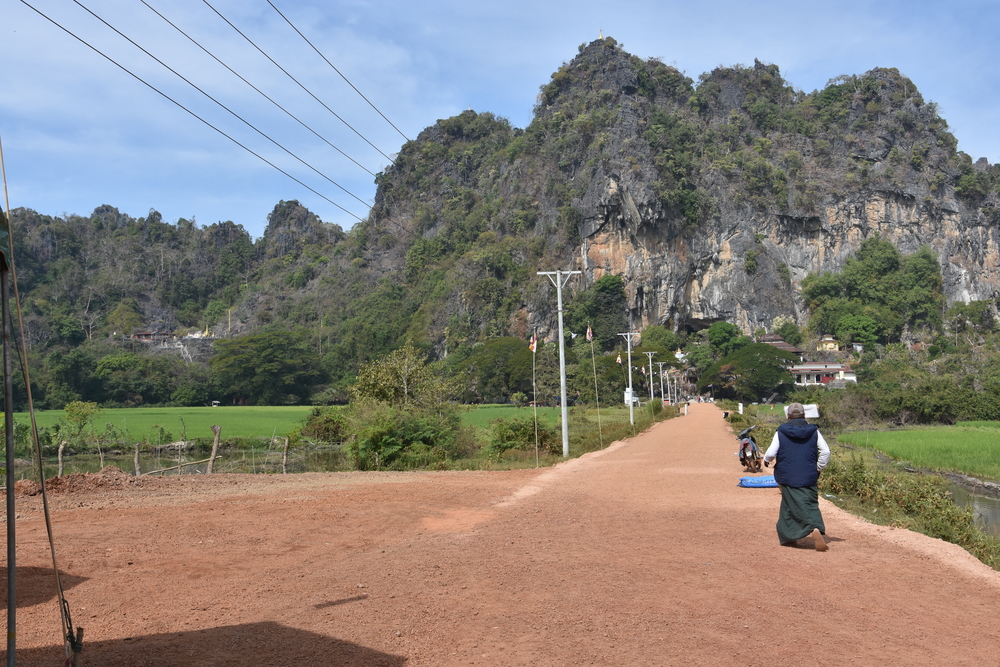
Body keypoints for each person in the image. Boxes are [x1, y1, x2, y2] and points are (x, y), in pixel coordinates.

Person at [763, 402, 831, 551]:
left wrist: (766, 461)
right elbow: (826, 451)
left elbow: (770, 453)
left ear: (788, 416)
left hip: (787, 476)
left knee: (788, 505)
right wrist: (818, 468)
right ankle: (813, 527)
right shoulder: (814, 431)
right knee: (810, 503)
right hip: (809, 476)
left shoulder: (781, 431)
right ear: (804, 415)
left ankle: (792, 536)